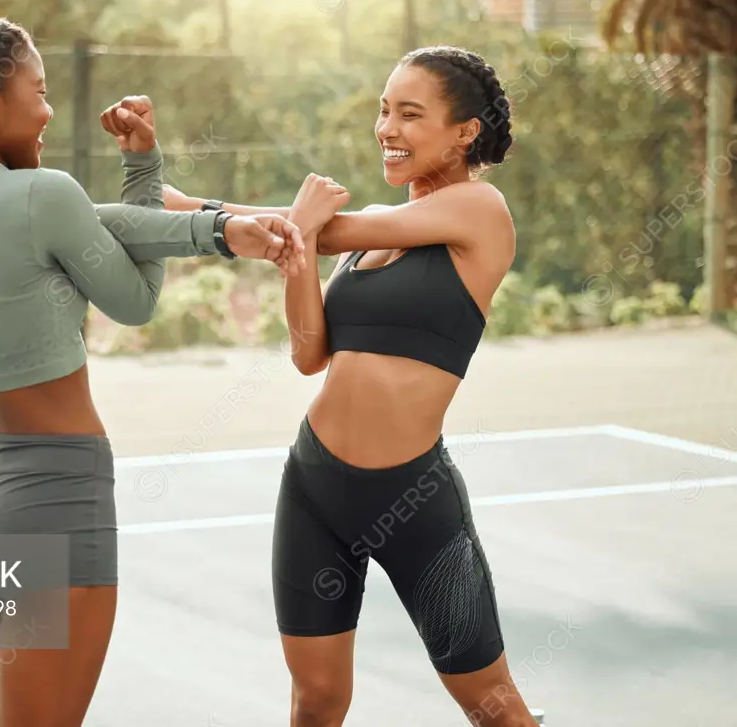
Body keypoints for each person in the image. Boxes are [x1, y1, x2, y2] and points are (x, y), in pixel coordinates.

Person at [0, 12, 305, 727]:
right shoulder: (41, 197)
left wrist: (217, 228)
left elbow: (88, 221)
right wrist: (156, 179)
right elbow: (134, 297)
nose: (48, 110)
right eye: (38, 90)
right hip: (53, 499)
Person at [161, 46, 540, 727]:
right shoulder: (367, 234)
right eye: (383, 110)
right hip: (316, 488)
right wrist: (293, 253)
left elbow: (329, 228)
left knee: (494, 709)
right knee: (316, 701)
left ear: (465, 131)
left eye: (409, 113)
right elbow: (311, 355)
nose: (386, 127)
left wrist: (197, 210)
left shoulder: (480, 212)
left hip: (415, 499)